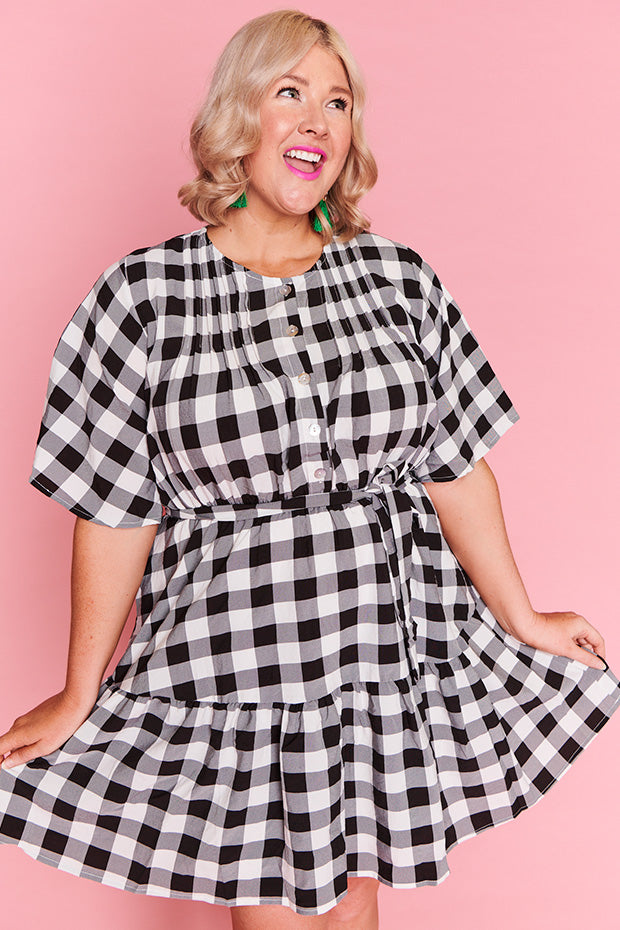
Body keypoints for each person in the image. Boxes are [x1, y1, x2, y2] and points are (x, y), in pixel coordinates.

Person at [0, 9, 619, 930]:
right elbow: (115, 506)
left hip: (379, 645)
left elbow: (455, 464)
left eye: (338, 102)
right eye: (290, 92)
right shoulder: (143, 296)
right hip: (235, 656)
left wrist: (522, 616)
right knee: (276, 910)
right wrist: (80, 688)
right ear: (238, 114)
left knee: (354, 908)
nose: (318, 121)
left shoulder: (399, 279)